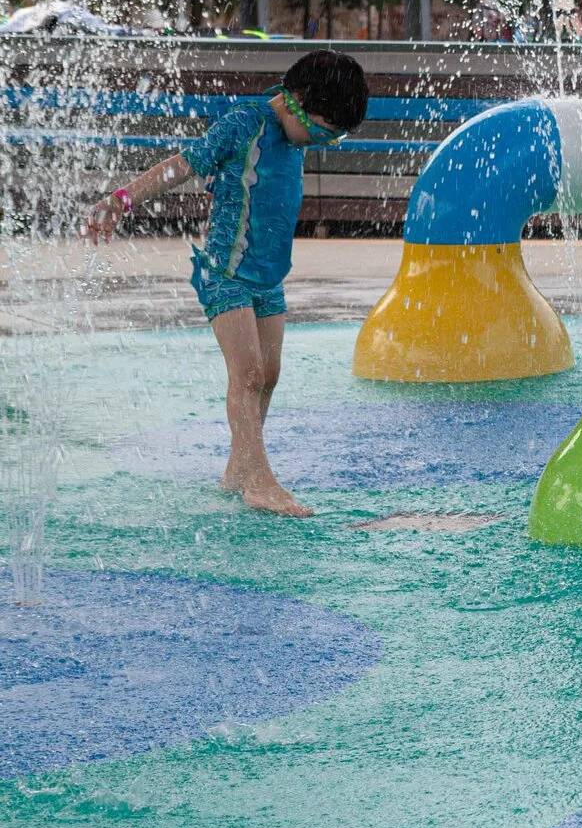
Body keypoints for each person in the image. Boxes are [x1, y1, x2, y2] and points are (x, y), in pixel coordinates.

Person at [83, 50, 369, 517]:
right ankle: (260, 480)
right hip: (225, 274)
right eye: (321, 132)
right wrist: (122, 200)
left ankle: (239, 469)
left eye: (332, 140)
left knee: (269, 376)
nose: (318, 142)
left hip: (268, 279)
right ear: (295, 101)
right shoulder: (246, 122)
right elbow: (185, 164)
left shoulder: (295, 139)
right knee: (249, 374)